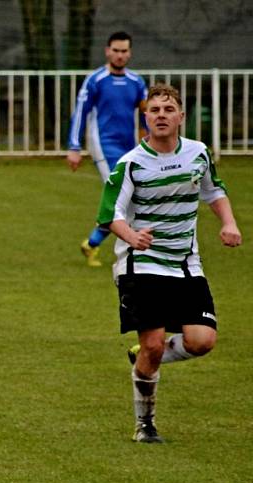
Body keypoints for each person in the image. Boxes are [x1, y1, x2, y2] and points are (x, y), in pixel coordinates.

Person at [96, 83, 242, 443]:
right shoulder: (131, 164)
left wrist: (228, 222)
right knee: (155, 343)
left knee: (202, 340)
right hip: (141, 266)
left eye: (168, 109)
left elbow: (213, 190)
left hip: (185, 264)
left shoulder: (199, 154)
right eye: (154, 110)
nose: (161, 115)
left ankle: (144, 356)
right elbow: (108, 214)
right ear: (145, 118)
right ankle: (145, 425)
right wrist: (131, 236)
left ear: (181, 116)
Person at [67, 31, 148, 267]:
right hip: (103, 147)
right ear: (107, 51)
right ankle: (127, 247)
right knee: (122, 195)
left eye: (124, 51)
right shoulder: (96, 80)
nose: (120, 55)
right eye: (116, 50)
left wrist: (150, 141)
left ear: (129, 53)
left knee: (127, 197)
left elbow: (145, 115)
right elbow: (80, 113)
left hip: (129, 148)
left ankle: (92, 243)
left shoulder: (136, 82)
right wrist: (74, 146)